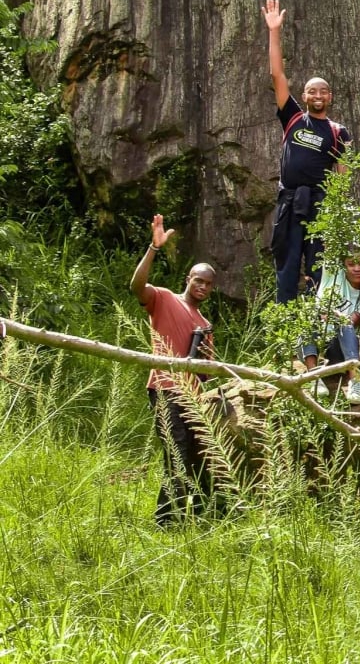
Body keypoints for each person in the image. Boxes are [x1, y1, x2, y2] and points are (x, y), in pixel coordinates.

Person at [130, 215, 217, 525]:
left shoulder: (205, 324)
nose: (202, 286)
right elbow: (136, 286)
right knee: (175, 453)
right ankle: (166, 522)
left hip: (192, 397)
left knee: (197, 456)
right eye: (198, 280)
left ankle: (196, 515)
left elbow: (205, 373)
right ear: (188, 280)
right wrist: (154, 248)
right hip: (165, 389)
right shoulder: (165, 299)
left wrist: (204, 357)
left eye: (208, 284)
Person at [263, 0, 351, 303]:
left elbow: (342, 176)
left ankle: (316, 323)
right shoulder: (293, 118)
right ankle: (285, 319)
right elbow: (277, 75)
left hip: (320, 204)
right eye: (312, 91)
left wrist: (337, 212)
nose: (318, 95)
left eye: (323, 91)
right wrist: (274, 31)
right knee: (287, 264)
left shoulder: (338, 131)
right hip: (290, 201)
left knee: (318, 267)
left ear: (330, 97)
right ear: (304, 96)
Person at [303, 251, 360, 405]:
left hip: (340, 349)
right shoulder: (333, 276)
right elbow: (332, 247)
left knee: (344, 322)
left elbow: (352, 322)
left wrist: (335, 316)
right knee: (307, 317)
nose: (357, 269)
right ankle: (313, 377)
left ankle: (355, 381)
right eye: (351, 264)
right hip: (318, 341)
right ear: (343, 266)